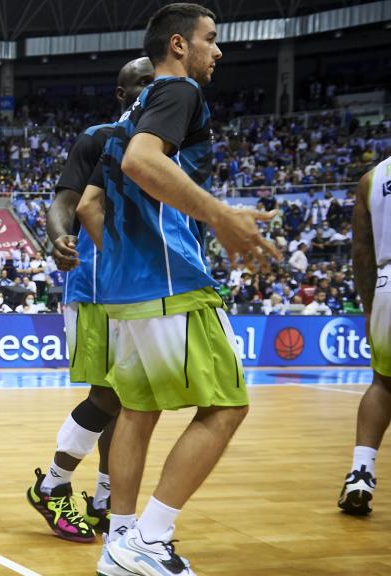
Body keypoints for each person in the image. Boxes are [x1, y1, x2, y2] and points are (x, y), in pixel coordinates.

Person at [78, 5, 280, 574]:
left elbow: (92, 204)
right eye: (211, 40)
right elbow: (145, 163)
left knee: (138, 412)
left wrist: (124, 258)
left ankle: (121, 540)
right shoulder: (179, 92)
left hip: (125, 291)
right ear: (178, 45)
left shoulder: (127, 117)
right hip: (170, 284)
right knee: (227, 407)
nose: (218, 51)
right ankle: (151, 536)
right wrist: (218, 216)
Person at [338, 157, 391, 516]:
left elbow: (361, 252)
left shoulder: (374, 178)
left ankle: (361, 473)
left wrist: (370, 306)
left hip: (388, 284)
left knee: (383, 384)